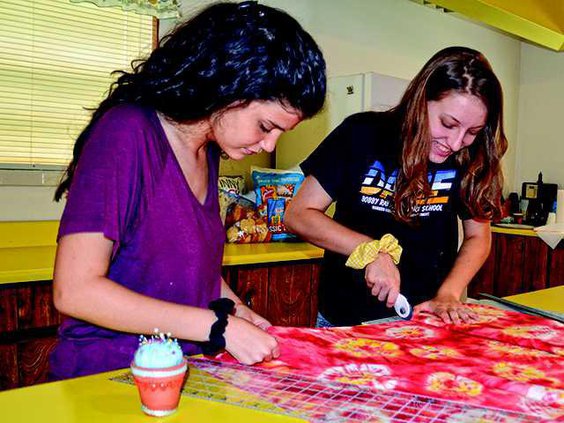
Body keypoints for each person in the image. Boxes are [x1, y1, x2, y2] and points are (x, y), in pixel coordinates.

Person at [49, 1, 326, 380]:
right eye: (265, 126)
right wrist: (218, 328)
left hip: (181, 370)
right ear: (229, 87)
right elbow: (75, 290)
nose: (268, 145)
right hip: (109, 376)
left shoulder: (206, 151)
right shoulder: (127, 133)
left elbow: (191, 273)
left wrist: (239, 313)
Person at [285, 46, 507, 327]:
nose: (455, 143)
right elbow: (298, 214)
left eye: (472, 132)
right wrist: (369, 250)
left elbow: (478, 237)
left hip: (424, 320)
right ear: (421, 99)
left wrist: (448, 293)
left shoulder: (470, 156)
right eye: (447, 124)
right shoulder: (361, 134)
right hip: (346, 320)